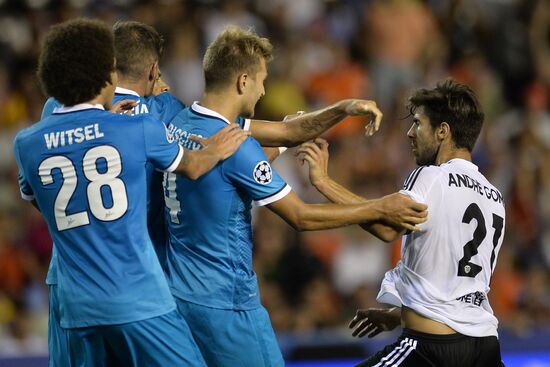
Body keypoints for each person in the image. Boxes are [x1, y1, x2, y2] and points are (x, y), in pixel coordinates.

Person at [164, 25, 429, 367]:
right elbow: (301, 216)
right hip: (226, 303)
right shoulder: (236, 146)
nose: (262, 91)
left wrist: (342, 108)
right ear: (243, 81)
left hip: (180, 295)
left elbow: (287, 131)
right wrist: (379, 205)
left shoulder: (183, 123)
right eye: (261, 80)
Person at [13, 18, 249, 366]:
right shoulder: (137, 127)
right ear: (106, 76)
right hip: (137, 295)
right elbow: (196, 166)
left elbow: (38, 198)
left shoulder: (28, 141)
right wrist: (217, 147)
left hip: (72, 298)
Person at [298, 80, 506, 367]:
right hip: (484, 349)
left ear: (443, 131)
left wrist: (324, 182)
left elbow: (386, 228)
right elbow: (458, 289)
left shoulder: (431, 176)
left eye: (418, 123)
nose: (410, 133)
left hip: (432, 350)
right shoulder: (495, 198)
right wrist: (399, 315)